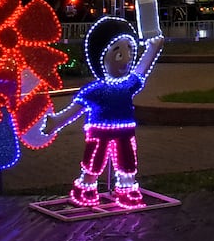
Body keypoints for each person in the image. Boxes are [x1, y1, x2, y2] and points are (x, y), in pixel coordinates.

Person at [40, 16, 164, 208]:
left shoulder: (128, 84)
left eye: (130, 50)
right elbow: (76, 110)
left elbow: (141, 69)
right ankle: (87, 187)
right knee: (94, 162)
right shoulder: (95, 90)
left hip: (125, 132)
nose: (127, 58)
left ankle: (127, 188)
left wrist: (153, 47)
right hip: (99, 133)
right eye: (117, 51)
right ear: (101, 58)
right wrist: (57, 121)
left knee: (127, 162)